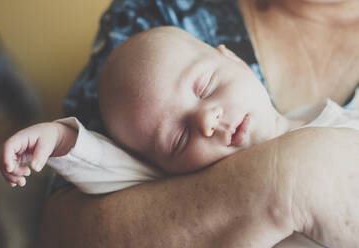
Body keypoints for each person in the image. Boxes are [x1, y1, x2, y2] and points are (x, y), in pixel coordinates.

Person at [37, 0, 359, 247]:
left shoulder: (333, 120)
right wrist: (63, 139)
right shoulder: (158, 16)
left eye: (206, 88)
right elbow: (102, 175)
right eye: (179, 140)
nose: (206, 120)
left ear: (235, 60)